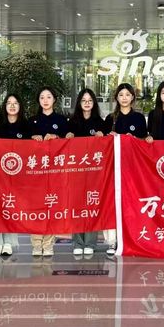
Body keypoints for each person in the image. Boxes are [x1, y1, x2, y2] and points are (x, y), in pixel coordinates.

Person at [0, 93, 30, 258]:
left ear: (20, 106)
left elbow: (31, 150)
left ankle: (9, 242)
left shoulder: (26, 126)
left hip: (18, 175)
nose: (12, 105)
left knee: (11, 207)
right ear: (5, 106)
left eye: (15, 103)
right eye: (9, 103)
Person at [103, 82, 147, 254]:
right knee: (112, 203)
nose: (124, 98)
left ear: (133, 97)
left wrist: (133, 139)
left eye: (127, 95)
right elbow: (103, 144)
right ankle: (112, 241)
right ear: (116, 98)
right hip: (114, 168)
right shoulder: (110, 119)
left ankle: (133, 237)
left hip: (133, 168)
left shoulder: (139, 118)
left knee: (131, 201)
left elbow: (145, 142)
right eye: (121, 95)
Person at [28, 87, 68, 257]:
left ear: (54, 100)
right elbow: (23, 144)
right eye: (42, 97)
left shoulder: (61, 120)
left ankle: (49, 243)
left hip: (55, 171)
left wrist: (57, 138)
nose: (45, 100)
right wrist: (32, 138)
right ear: (39, 100)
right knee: (37, 207)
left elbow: (69, 141)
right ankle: (36, 244)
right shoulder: (32, 121)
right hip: (36, 171)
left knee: (52, 205)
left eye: (49, 97)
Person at [66, 88, 106, 256]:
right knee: (76, 204)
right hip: (76, 170)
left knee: (91, 204)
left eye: (90, 100)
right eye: (84, 100)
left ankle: (90, 242)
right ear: (79, 103)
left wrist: (102, 136)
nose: (87, 103)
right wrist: (68, 136)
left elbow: (106, 145)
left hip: (94, 171)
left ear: (94, 103)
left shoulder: (100, 122)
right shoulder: (72, 122)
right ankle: (77, 242)